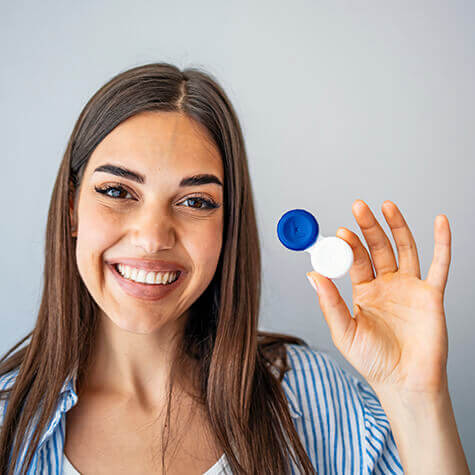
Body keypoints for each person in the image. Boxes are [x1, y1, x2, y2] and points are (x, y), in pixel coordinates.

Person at [0, 62, 468, 474]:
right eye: (119, 192)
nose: (153, 237)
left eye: (196, 201)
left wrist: (416, 398)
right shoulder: (7, 425)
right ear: (72, 211)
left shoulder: (315, 399)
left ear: (228, 229)